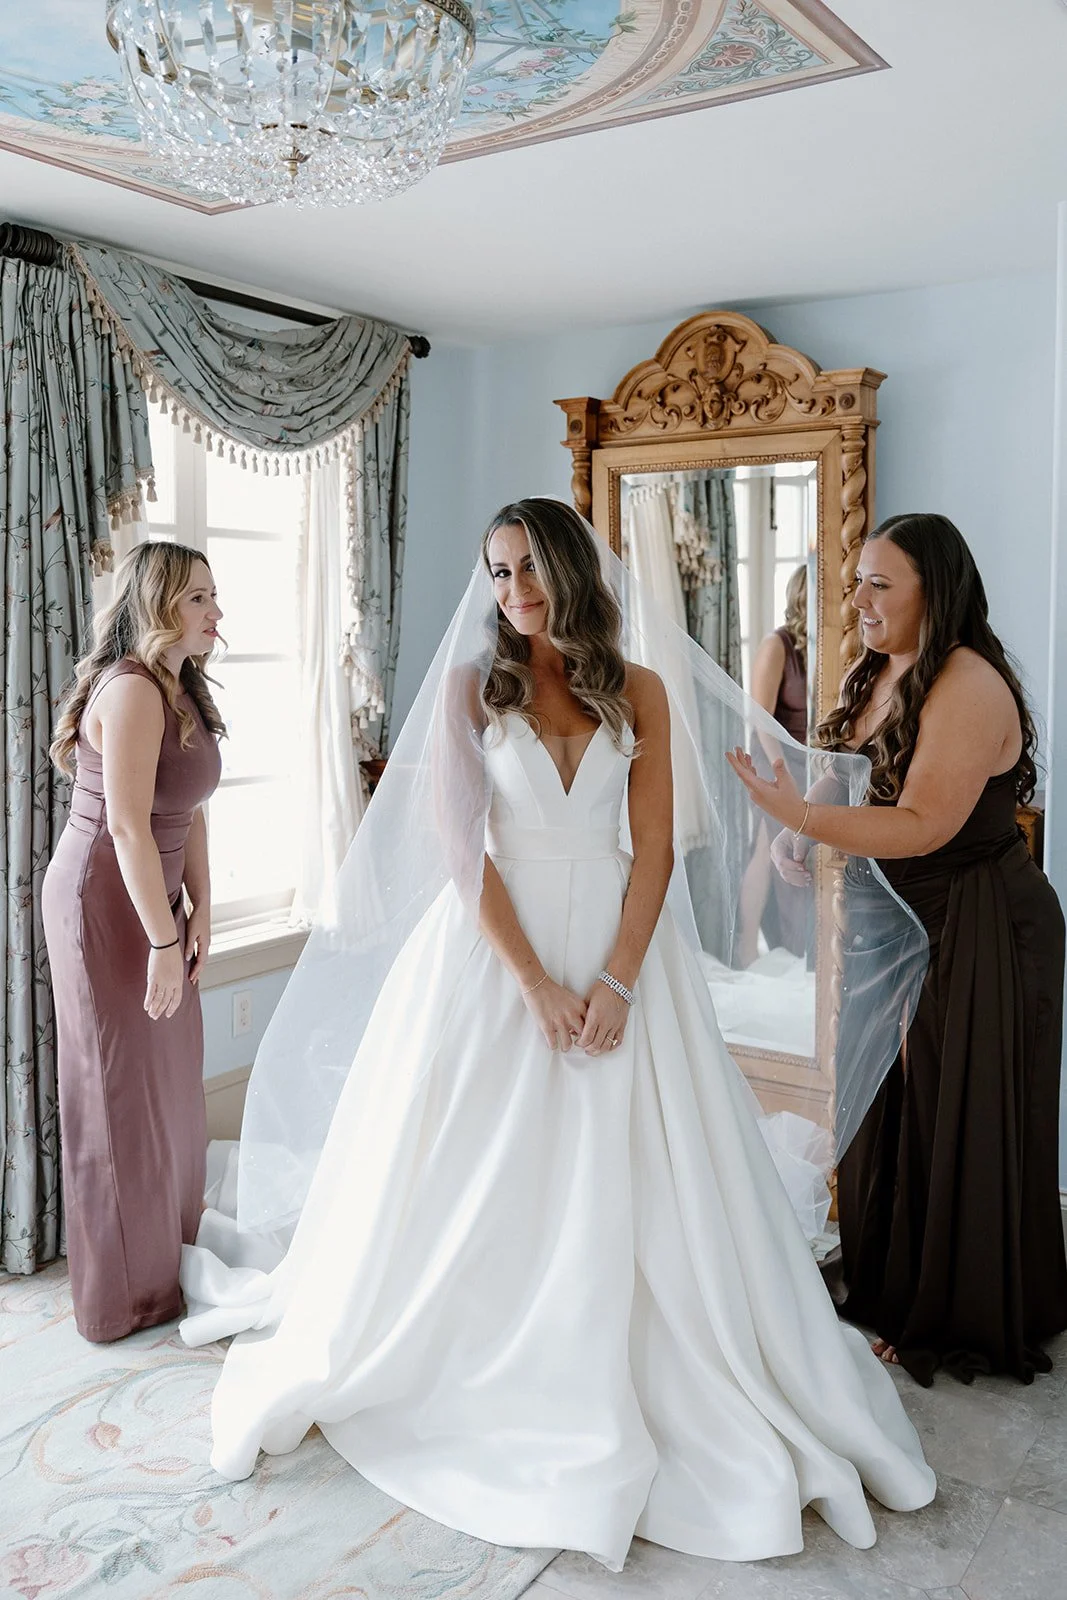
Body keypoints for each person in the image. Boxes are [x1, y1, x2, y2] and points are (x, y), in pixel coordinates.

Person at [179, 499, 933, 1569]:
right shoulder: (464, 690)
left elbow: (656, 848)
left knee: (654, 1186)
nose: (512, 590)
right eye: (494, 572)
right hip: (495, 953)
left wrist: (619, 979)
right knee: (468, 1174)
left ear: (571, 568)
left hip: (626, 950)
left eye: (527, 567)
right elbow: (459, 851)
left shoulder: (641, 691)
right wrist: (535, 984)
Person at [729, 512, 1067, 1386]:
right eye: (858, 581)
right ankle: (888, 1288)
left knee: (954, 1112)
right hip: (896, 924)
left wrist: (799, 818)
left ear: (934, 590)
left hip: (979, 920)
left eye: (881, 584)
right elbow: (844, 781)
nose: (860, 599)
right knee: (882, 1097)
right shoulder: (878, 668)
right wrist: (795, 839)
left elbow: (918, 824)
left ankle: (951, 1308)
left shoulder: (967, 682)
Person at [43, 542, 224, 1342]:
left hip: (156, 895)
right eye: (199, 599)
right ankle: (122, 1298)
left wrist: (204, 905)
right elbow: (123, 825)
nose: (217, 613)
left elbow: (192, 806)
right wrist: (160, 939)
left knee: (170, 1087)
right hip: (104, 902)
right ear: (157, 607)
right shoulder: (132, 691)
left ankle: (165, 1267)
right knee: (116, 1091)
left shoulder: (185, 689)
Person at [737, 565, 808, 965]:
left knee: (798, 850)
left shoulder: (827, 645)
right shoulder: (777, 645)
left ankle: (800, 941)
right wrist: (783, 771)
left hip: (810, 760)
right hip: (773, 756)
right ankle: (748, 945)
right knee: (768, 847)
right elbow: (759, 718)